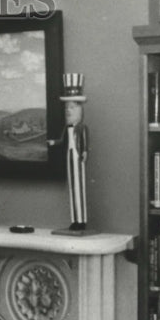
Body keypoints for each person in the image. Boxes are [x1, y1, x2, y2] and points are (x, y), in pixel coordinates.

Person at [47, 73, 89, 231]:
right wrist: (54, 142)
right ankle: (74, 220)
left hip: (77, 157)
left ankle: (82, 221)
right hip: (69, 157)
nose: (68, 111)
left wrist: (84, 152)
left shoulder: (81, 127)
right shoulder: (67, 128)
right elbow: (62, 140)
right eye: (66, 108)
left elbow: (84, 142)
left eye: (72, 107)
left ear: (79, 109)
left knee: (80, 189)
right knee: (72, 189)